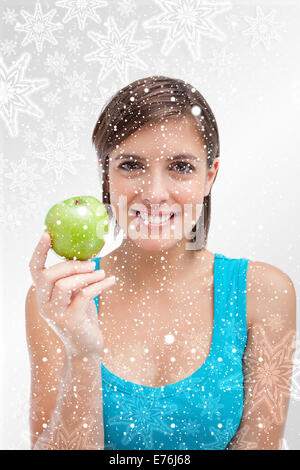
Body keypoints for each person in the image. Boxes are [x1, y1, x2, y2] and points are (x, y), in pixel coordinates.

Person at [26, 76, 296, 450]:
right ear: (107, 173)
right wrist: (82, 354)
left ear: (209, 176)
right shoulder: (61, 299)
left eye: (181, 167)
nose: (154, 193)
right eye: (131, 165)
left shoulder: (262, 293)